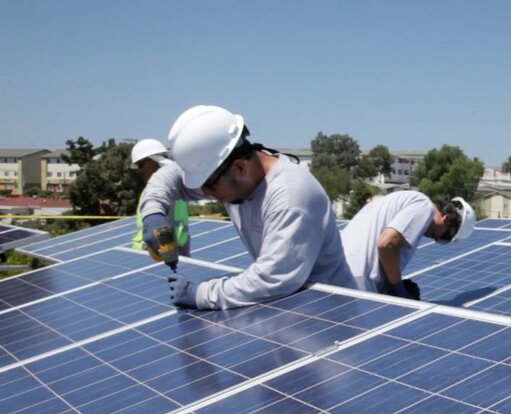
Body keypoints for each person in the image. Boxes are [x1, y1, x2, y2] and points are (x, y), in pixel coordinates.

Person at [140, 104, 353, 309]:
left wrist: (200, 294)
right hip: (291, 304)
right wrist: (153, 212)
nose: (204, 193)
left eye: (209, 185)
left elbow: (272, 278)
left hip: (328, 311)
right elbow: (171, 176)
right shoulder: (233, 178)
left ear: (240, 167)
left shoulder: (290, 198)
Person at [340, 190, 476, 299]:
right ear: (446, 219)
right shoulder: (424, 206)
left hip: (340, 269)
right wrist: (398, 287)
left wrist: (391, 284)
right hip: (357, 279)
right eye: (445, 236)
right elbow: (387, 243)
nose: (437, 238)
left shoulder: (404, 201)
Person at [130, 139, 190, 256]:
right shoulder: (158, 191)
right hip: (152, 253)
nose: (139, 171)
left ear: (154, 161)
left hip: (166, 253)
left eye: (141, 164)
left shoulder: (166, 191)